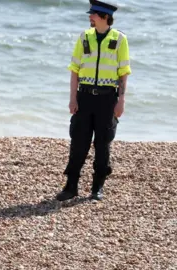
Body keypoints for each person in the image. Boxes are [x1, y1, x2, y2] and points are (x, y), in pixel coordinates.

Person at [57, 0, 131, 201]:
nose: (90, 17)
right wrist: (72, 98)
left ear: (105, 17)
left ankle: (97, 187)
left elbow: (123, 73)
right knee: (78, 142)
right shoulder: (84, 38)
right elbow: (74, 71)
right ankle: (71, 186)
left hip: (107, 99)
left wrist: (121, 100)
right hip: (85, 97)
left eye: (94, 14)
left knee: (103, 143)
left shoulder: (120, 39)